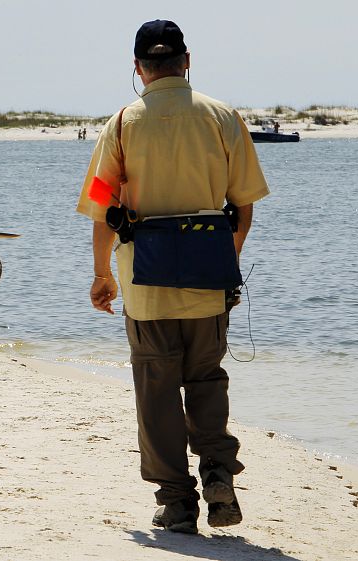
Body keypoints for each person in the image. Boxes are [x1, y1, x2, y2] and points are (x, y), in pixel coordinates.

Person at [76, 19, 269, 535]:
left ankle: (177, 501)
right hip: (209, 284)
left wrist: (102, 277)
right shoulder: (223, 117)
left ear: (138, 68)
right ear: (187, 60)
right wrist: (224, 259)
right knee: (206, 378)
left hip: (145, 284)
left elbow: (102, 209)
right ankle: (217, 472)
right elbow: (244, 205)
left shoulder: (122, 123)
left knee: (156, 388)